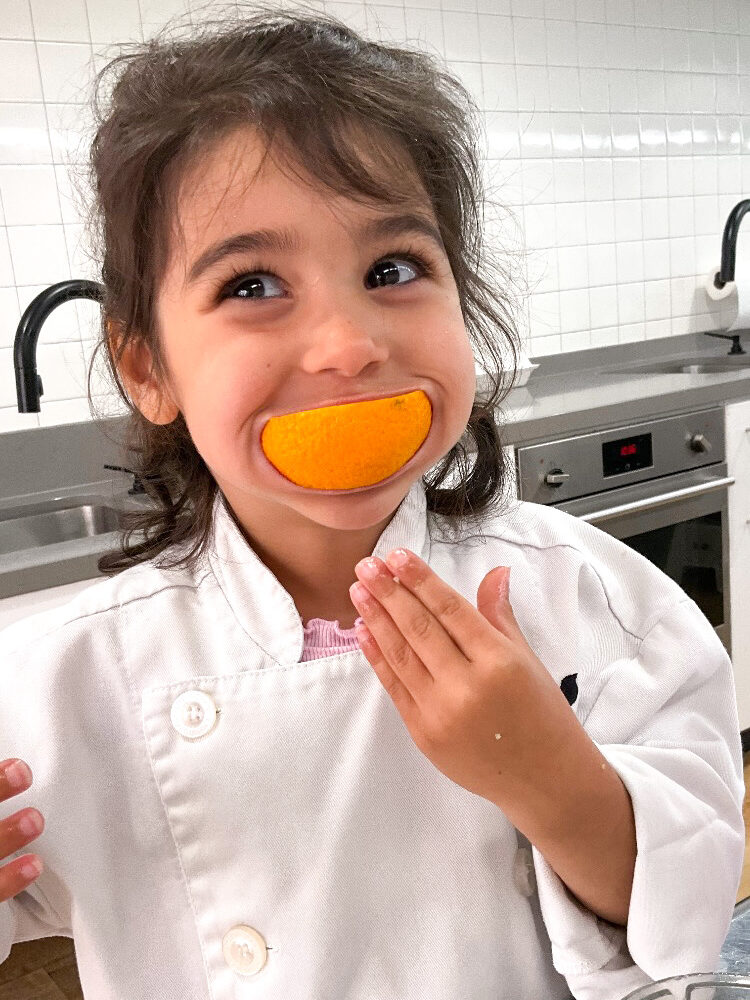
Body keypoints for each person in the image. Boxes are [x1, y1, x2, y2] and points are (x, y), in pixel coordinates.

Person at [0, 7, 744, 1000]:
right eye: (255, 282)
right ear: (148, 366)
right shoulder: (66, 677)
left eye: (392, 270)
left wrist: (547, 775)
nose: (349, 342)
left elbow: (690, 906)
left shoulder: (590, 598)